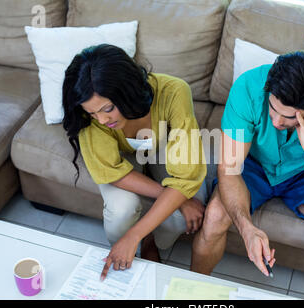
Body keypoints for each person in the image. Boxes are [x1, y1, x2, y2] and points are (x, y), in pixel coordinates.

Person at [191, 51, 304, 300]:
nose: (276, 121)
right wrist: (247, 229)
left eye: (290, 116)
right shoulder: (249, 87)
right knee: (216, 214)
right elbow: (229, 170)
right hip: (253, 164)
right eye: (273, 108)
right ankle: (192, 295)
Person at [62, 44, 208, 280]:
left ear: (127, 91)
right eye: (92, 113)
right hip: (121, 157)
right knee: (122, 210)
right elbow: (112, 170)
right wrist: (171, 197)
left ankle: (152, 241)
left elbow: (187, 176)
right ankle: (145, 241)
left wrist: (135, 234)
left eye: (108, 108)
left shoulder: (174, 91)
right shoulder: (90, 116)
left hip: (165, 147)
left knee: (184, 215)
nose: (101, 120)